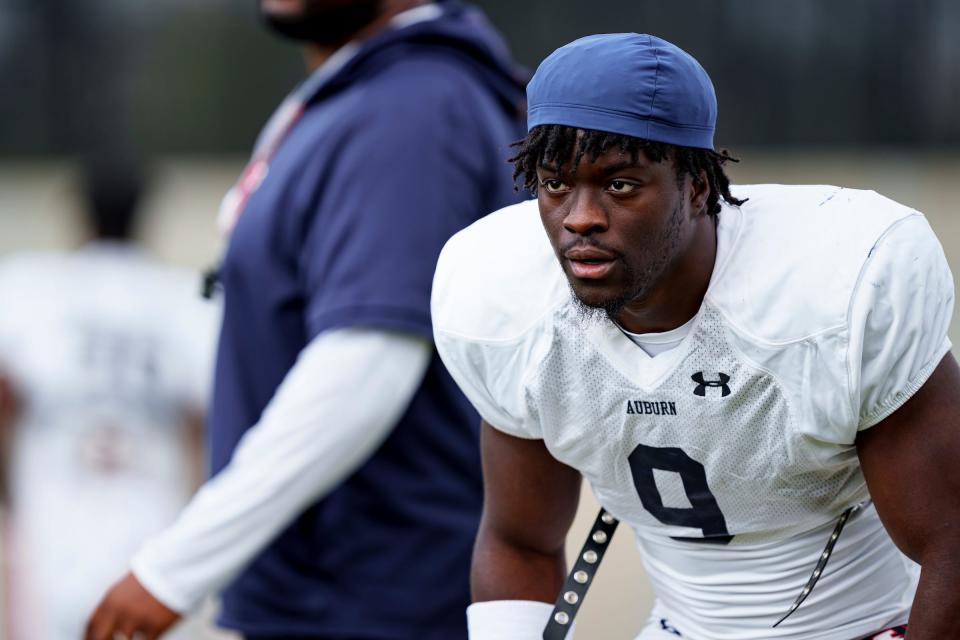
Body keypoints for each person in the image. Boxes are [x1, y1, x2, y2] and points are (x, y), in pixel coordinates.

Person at [431, 33, 960, 640]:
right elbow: (517, 539)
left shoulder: (829, 293)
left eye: (620, 184)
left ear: (697, 184)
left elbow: (953, 540)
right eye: (554, 185)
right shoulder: (507, 299)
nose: (579, 216)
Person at [85, 1, 526, 639]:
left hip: (369, 599)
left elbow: (365, 360)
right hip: (340, 593)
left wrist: (172, 569)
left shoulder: (411, 108)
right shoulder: (370, 90)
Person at [0, 157, 217, 640]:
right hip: (151, 535)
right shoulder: (184, 298)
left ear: (80, 213)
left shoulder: (29, 286)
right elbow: (204, 424)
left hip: (51, 522)